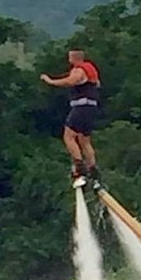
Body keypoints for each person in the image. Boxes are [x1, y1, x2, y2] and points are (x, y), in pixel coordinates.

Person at [40, 49, 102, 188]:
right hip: (91, 107)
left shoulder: (79, 70)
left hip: (81, 107)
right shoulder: (91, 70)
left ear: (73, 59)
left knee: (68, 136)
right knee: (84, 140)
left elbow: (70, 81)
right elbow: (96, 84)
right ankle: (94, 172)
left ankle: (79, 169)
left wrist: (50, 81)